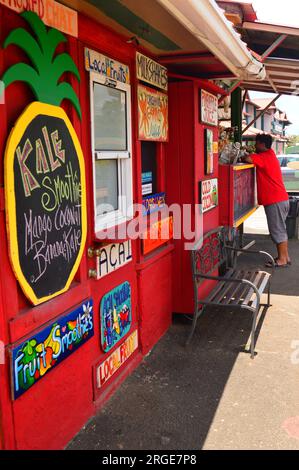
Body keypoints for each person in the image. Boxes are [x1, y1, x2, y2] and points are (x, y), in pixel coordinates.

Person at [243, 133, 290, 268]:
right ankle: (285, 257)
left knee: (277, 230)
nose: (254, 146)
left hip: (275, 200)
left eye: (256, 143)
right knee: (281, 228)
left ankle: (281, 260)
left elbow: (247, 159)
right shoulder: (270, 155)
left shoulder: (264, 157)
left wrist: (247, 153)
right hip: (280, 198)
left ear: (262, 144)